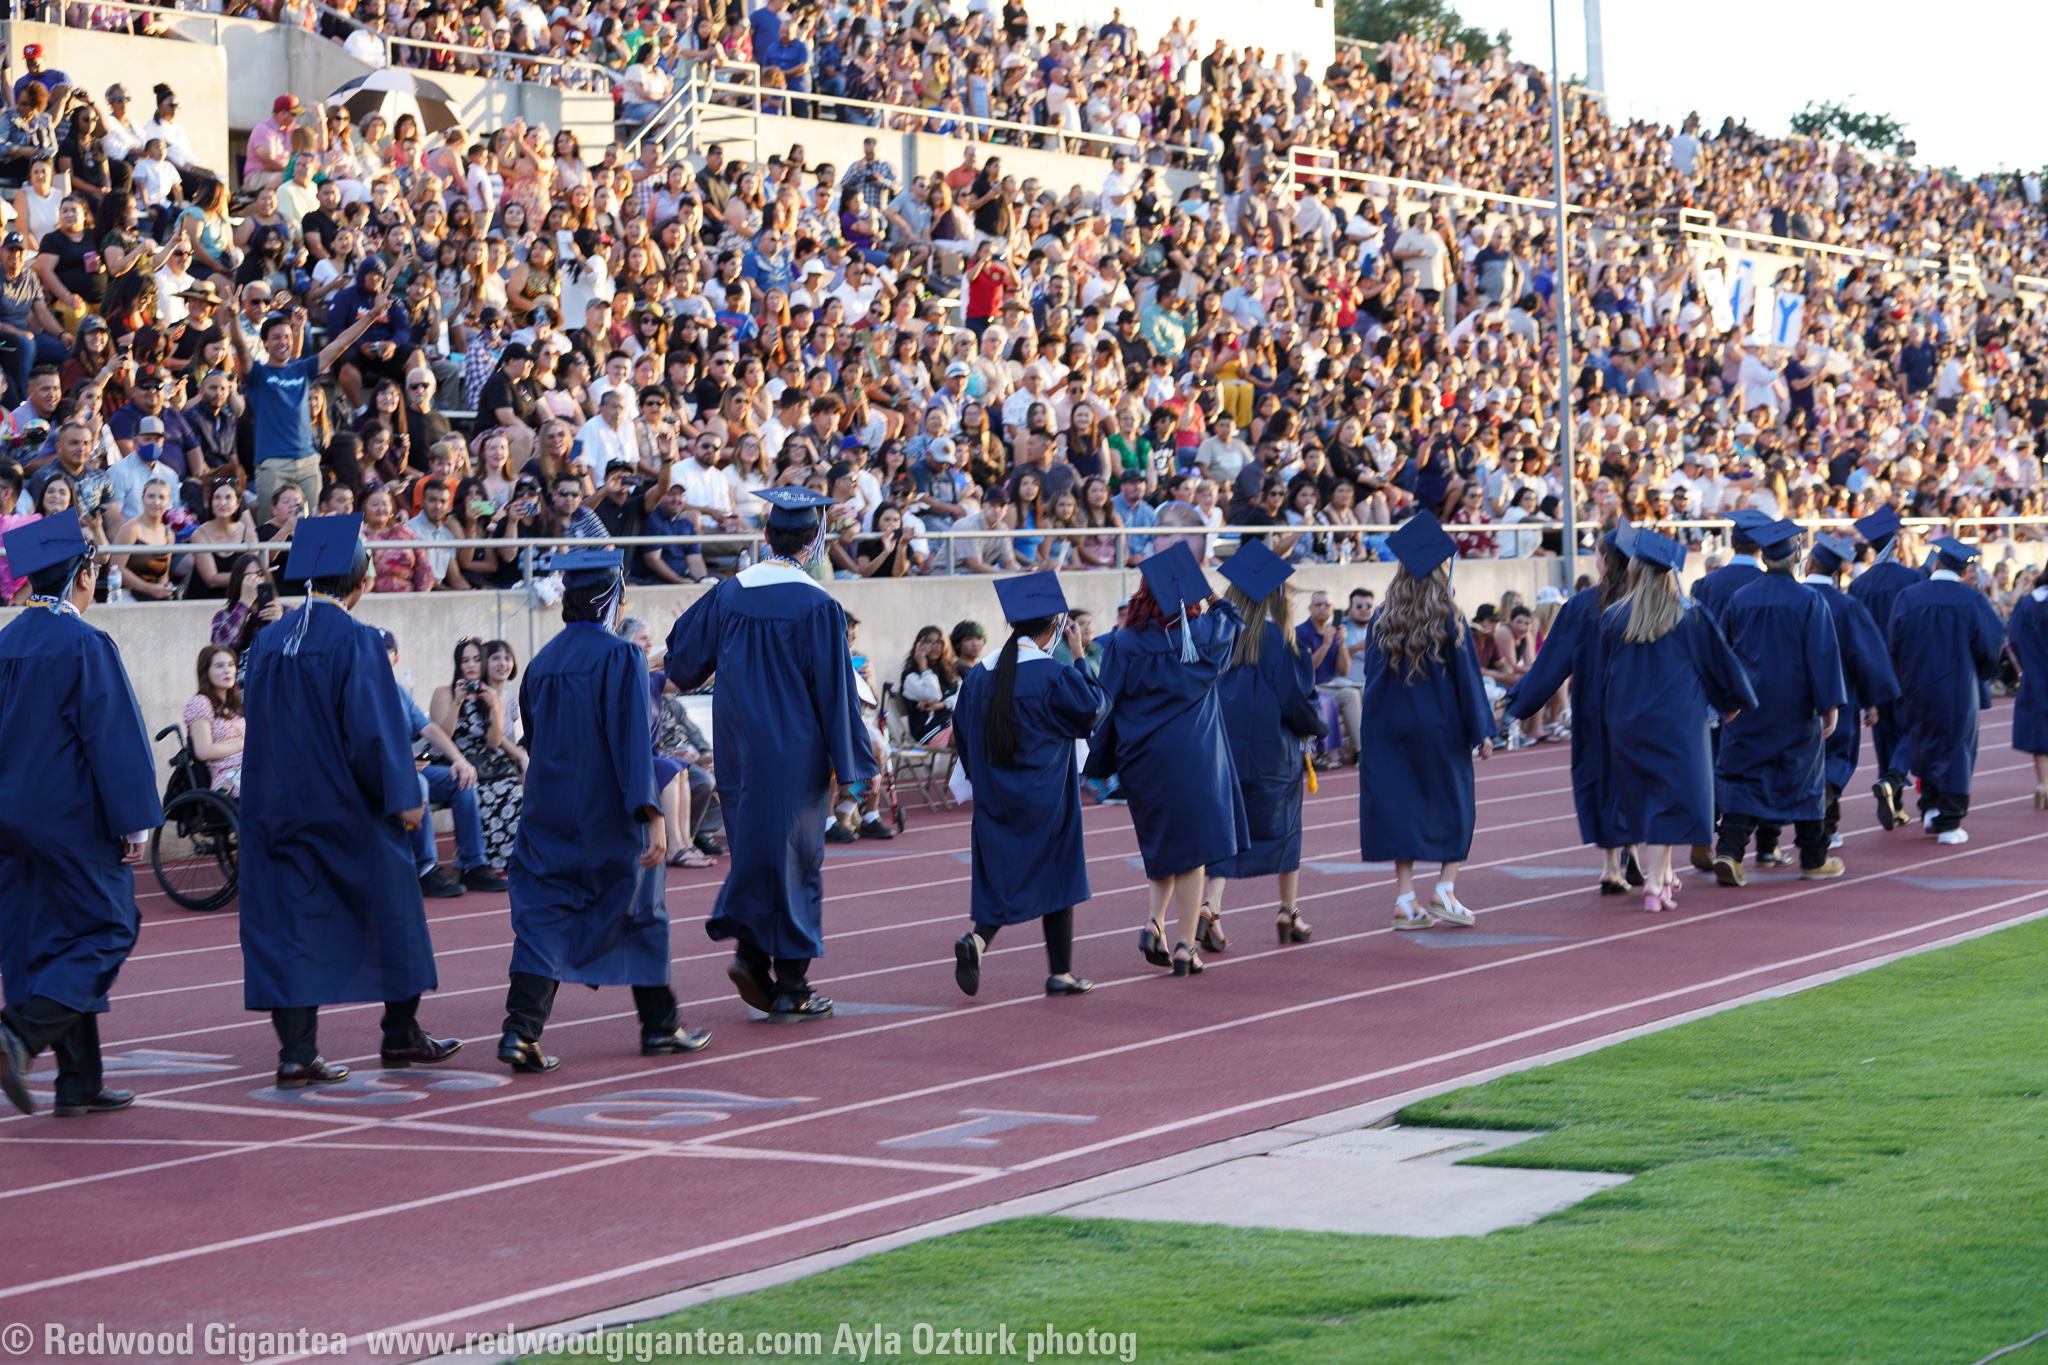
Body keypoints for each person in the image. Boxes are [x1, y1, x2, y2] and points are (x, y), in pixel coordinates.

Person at [237, 516, 461, 1087]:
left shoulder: (267, 641)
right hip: (345, 807)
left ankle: (297, 1052)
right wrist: (404, 798)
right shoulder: (357, 640)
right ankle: (400, 1033)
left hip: (274, 804)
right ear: (360, 581)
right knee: (395, 908)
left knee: (289, 924)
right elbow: (373, 735)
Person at [663, 487, 876, 1023]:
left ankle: (754, 955)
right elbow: (835, 691)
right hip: (796, 752)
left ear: (765, 536)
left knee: (759, 851)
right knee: (799, 859)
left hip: (736, 751)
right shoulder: (819, 605)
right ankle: (792, 985)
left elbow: (683, 664)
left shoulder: (731, 592)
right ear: (813, 543)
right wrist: (853, 767)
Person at [498, 550, 711, 1073]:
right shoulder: (621, 658)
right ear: (610, 598)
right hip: (608, 812)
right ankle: (661, 1027)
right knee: (641, 912)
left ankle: (519, 1032)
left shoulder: (542, 660)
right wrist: (652, 814)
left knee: (544, 918)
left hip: (549, 809)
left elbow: (536, 735)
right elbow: (633, 742)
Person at [0, 511, 161, 1118]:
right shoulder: (84, 643)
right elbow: (112, 739)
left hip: (9, 822)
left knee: (48, 936)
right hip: (70, 819)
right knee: (108, 927)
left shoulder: (5, 642)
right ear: (80, 578)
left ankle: (79, 1081)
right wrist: (135, 822)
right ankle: (18, 1033)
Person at [1082, 541, 1245, 978]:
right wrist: (1206, 591)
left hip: (1143, 759)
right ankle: (1185, 946)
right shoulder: (1203, 635)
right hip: (1193, 755)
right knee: (1193, 853)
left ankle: (1154, 922)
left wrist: (1101, 761)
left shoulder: (1123, 642)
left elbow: (1106, 702)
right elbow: (1234, 619)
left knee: (1163, 843)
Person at [949, 571, 1103, 999]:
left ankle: (978, 941)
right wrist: (1080, 657)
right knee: (1058, 876)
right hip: (1047, 796)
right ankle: (1061, 973)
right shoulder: (1053, 675)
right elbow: (1091, 710)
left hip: (997, 797)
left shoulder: (981, 675)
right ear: (1054, 628)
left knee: (1004, 876)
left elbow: (962, 734)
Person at [1600, 527, 1757, 913]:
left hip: (1628, 721)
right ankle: (1655, 883)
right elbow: (1718, 665)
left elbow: (1603, 673)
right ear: (1672, 574)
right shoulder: (1690, 617)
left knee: (1647, 797)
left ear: (1635, 572)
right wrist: (1730, 702)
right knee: (1671, 799)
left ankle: (1663, 875)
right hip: (1678, 722)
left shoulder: (1613, 617)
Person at [1355, 513, 1496, 930]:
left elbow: (1372, 680)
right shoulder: (1449, 616)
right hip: (1439, 727)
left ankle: (1405, 899)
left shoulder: (1382, 617)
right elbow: (1468, 681)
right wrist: (1483, 729)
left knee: (1403, 808)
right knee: (1455, 803)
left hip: (1390, 728)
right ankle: (1445, 889)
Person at [1201, 540, 1326, 951]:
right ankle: (1288, 911)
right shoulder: (1282, 643)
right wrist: (1318, 727)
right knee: (1286, 831)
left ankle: (1211, 908)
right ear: (1276, 596)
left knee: (1225, 831)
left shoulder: (1213, 636)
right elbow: (1295, 701)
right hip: (1275, 754)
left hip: (1222, 753)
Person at [1711, 520, 1849, 885]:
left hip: (1746, 707)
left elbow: (1723, 654)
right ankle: (1814, 859)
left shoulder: (1740, 599)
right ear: (1798, 556)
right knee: (1804, 779)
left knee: (1743, 779)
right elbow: (1822, 656)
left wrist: (1724, 700)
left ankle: (1729, 853)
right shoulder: (1809, 600)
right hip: (1794, 708)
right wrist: (1830, 706)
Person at [1503, 528, 1638, 893]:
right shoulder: (1652, 601)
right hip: (1644, 708)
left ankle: (1611, 866)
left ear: (1605, 560)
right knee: (1639, 777)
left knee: (1601, 779)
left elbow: (1552, 663)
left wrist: (1518, 702)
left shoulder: (1581, 606)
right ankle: (1637, 850)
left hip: (1595, 706)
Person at [229, 272, 407, 517]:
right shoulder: (257, 373)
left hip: (307, 463)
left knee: (309, 532)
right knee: (270, 531)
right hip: (273, 463)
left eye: (287, 337)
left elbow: (341, 342)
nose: (283, 342)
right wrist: (233, 318)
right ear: (266, 343)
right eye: (276, 338)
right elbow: (240, 347)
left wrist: (372, 315)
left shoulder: (302, 370)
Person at [1886, 537, 2007, 845]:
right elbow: (1992, 645)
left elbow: (1895, 642)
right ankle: (1949, 822)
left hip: (1916, 685)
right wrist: (1979, 673)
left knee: (1924, 741)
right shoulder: (1972, 600)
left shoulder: (1908, 596)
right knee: (1956, 749)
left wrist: (1906, 674)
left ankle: (1929, 809)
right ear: (1966, 570)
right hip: (1957, 686)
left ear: (1936, 563)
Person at [1803, 534, 1901, 849]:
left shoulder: (1792, 599)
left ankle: (1774, 841)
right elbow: (1866, 658)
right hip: (1839, 696)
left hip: (1792, 697)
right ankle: (1824, 830)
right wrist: (1872, 703)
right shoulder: (1847, 605)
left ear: (1808, 564)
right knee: (1835, 760)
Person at [1846, 506, 1924, 830]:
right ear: (1897, 541)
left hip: (1873, 670)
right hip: (1906, 666)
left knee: (1883, 732)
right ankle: (1893, 779)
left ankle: (1892, 799)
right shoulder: (1913, 578)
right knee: (1912, 729)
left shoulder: (1858, 585)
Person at [184, 643, 246, 795]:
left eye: (231, 665)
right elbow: (203, 751)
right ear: (206, 672)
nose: (228, 671)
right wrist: (242, 744)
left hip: (250, 767)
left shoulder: (234, 707)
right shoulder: (200, 702)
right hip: (227, 780)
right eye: (219, 666)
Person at [2009, 570, 2048, 810]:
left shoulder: (2026, 604)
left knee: (2041, 733)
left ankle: (2043, 784)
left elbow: (2012, 638)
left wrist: (2026, 666)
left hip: (2035, 678)